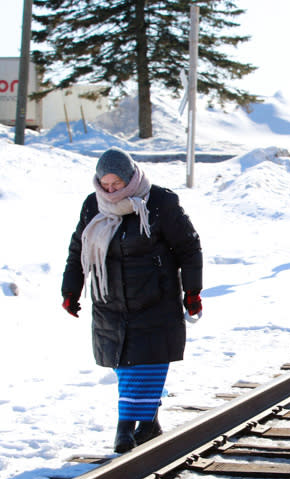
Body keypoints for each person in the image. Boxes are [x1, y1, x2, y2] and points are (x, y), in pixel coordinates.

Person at [61, 147, 203, 453]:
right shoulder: (93, 206)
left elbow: (189, 248)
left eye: (117, 185)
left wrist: (192, 291)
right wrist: (71, 290)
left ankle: (124, 429)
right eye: (105, 185)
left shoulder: (161, 203)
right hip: (109, 302)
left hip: (155, 300)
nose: (110, 192)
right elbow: (78, 249)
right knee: (126, 368)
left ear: (130, 178)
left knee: (145, 367)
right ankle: (149, 423)